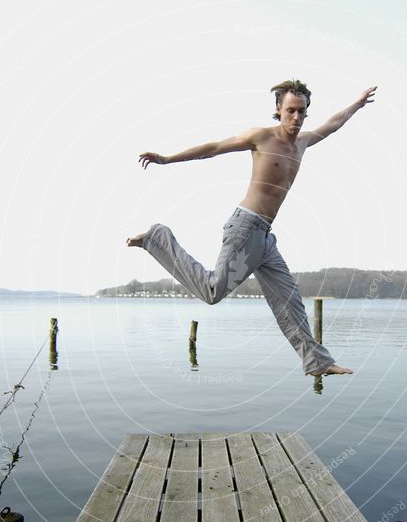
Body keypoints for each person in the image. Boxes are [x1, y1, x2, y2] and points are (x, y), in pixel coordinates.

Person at [127, 80, 376, 376]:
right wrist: (167, 159)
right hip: (245, 229)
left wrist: (357, 105)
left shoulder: (303, 142)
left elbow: (333, 124)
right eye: (290, 111)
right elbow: (214, 148)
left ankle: (318, 362)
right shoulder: (262, 137)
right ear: (278, 110)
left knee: (290, 299)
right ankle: (158, 238)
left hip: (265, 238)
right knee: (212, 292)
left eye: (302, 112)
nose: (296, 118)